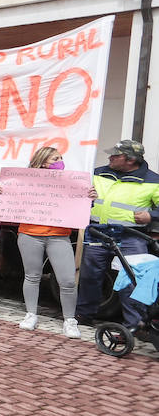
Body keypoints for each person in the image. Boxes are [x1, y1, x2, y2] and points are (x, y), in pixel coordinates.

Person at [0, 146, 96, 338]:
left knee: (67, 281)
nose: (60, 161)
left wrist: (89, 198)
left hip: (59, 236)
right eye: (55, 158)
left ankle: (70, 320)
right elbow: (8, 202)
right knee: (32, 276)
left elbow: (79, 206)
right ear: (42, 162)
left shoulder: (69, 182)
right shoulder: (23, 181)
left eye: (61, 157)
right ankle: (31, 314)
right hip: (29, 234)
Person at [77, 139, 159, 330]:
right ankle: (84, 315)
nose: (110, 157)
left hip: (131, 236)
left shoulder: (153, 181)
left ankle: (134, 324)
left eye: (116, 155)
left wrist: (151, 215)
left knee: (131, 279)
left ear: (130, 160)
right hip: (97, 232)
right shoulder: (97, 172)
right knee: (89, 276)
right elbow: (76, 194)